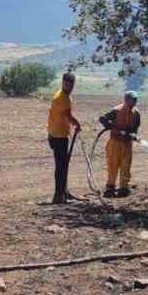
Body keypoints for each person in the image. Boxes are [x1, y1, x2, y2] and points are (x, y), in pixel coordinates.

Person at [46, 72, 82, 204]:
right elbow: (69, 116)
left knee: (63, 165)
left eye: (71, 84)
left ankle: (64, 192)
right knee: (61, 166)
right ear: (63, 82)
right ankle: (58, 196)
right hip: (59, 136)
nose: (69, 86)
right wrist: (77, 124)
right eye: (66, 84)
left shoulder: (63, 94)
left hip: (56, 133)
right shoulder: (63, 98)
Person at [99, 91, 142, 198]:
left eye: (136, 99)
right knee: (113, 166)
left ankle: (123, 188)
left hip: (127, 144)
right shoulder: (116, 110)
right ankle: (110, 188)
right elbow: (102, 118)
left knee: (126, 166)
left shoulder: (136, 113)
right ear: (126, 100)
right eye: (133, 99)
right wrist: (109, 125)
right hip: (115, 143)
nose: (135, 101)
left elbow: (135, 128)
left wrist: (133, 135)